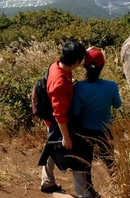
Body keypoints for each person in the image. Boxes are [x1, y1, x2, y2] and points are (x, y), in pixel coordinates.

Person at [71, 47, 122, 198]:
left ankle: (89, 190)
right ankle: (118, 184)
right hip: (105, 129)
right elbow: (117, 105)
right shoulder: (111, 86)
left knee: (85, 162)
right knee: (109, 159)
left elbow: (75, 112)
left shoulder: (79, 87)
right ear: (102, 66)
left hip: (85, 129)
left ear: (85, 66)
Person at [39, 39, 86, 194]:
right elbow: (59, 114)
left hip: (53, 117)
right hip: (56, 120)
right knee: (54, 147)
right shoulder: (59, 83)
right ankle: (47, 182)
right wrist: (66, 137)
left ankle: (47, 182)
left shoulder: (58, 64)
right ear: (76, 62)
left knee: (52, 146)